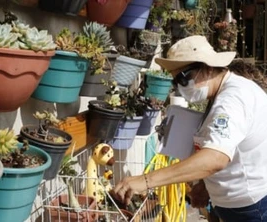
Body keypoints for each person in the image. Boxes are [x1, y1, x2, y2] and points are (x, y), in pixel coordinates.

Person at [111, 35, 267, 222]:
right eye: (175, 82)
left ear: (208, 67)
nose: (181, 87)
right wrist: (205, 184)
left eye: (184, 77)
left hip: (250, 208)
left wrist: (146, 181)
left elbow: (215, 158)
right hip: (236, 203)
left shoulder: (231, 100)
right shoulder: (223, 93)